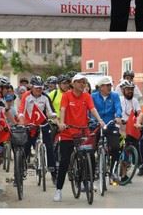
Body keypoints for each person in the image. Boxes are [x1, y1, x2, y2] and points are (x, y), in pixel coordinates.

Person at [53, 74, 105, 202]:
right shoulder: (67, 95)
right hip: (67, 132)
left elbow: (92, 109)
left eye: (84, 82)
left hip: (83, 132)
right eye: (80, 82)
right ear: (74, 83)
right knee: (64, 161)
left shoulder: (86, 96)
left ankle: (88, 181)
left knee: (90, 155)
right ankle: (58, 190)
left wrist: (100, 120)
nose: (83, 84)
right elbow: (63, 109)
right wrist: (62, 123)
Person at [18, 76, 57, 178]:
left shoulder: (45, 97)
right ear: (31, 87)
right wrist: (22, 121)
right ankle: (21, 170)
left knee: (49, 146)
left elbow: (50, 110)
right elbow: (21, 111)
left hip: (42, 123)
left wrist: (53, 115)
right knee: (26, 146)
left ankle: (54, 173)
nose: (39, 90)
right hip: (30, 125)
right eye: (37, 88)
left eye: (41, 88)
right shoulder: (26, 96)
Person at [90, 76, 123, 181]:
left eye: (110, 85)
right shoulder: (93, 96)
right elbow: (89, 109)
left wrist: (118, 116)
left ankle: (113, 172)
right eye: (107, 85)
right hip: (96, 125)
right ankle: (94, 169)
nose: (109, 87)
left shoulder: (115, 96)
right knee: (90, 149)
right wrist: (90, 120)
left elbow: (118, 107)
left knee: (116, 147)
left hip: (110, 124)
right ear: (101, 87)